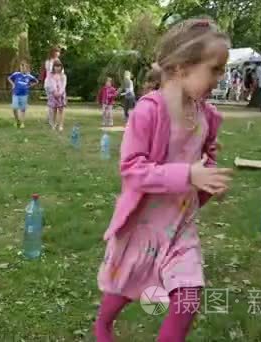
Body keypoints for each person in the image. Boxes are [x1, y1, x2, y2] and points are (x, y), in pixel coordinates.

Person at [94, 18, 233, 342]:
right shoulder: (149, 111)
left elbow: (204, 157)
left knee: (189, 295)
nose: (220, 78)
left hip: (181, 226)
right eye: (215, 69)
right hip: (144, 223)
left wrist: (207, 178)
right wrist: (188, 174)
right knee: (125, 285)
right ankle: (102, 326)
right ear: (183, 68)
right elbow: (131, 168)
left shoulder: (204, 114)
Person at [8, 61, 38, 129]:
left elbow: (36, 81)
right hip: (16, 94)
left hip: (24, 94)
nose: (22, 69)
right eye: (21, 68)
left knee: (22, 109)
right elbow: (9, 78)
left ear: (26, 68)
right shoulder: (16, 74)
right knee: (14, 108)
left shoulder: (29, 76)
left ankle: (22, 123)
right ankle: (17, 121)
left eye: (24, 68)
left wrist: (30, 85)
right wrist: (13, 84)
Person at [45, 61, 68, 131]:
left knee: (61, 110)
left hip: (61, 94)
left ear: (61, 67)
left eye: (59, 66)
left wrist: (60, 93)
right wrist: (54, 91)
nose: (57, 68)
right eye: (56, 66)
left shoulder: (63, 76)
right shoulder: (50, 76)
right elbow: (49, 85)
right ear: (53, 67)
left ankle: (61, 125)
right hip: (53, 94)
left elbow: (64, 85)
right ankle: (53, 124)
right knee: (54, 110)